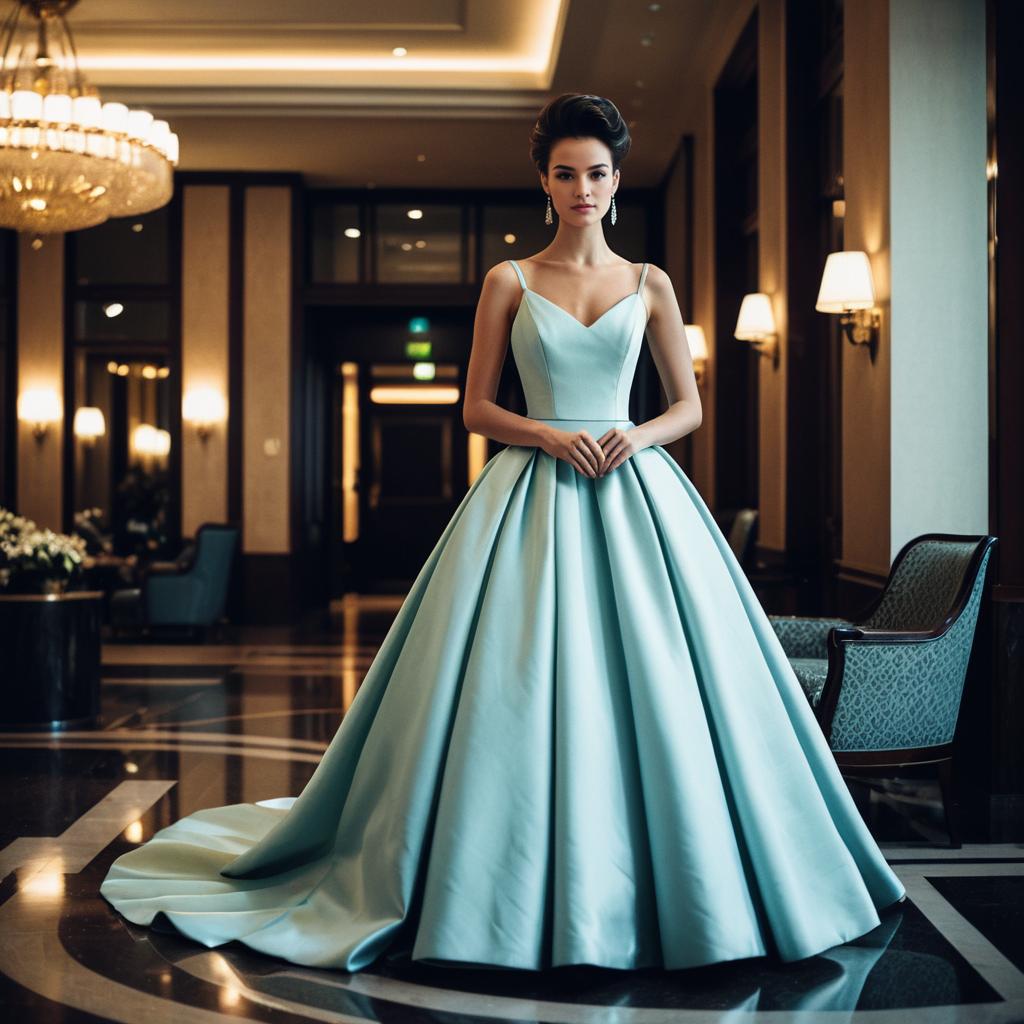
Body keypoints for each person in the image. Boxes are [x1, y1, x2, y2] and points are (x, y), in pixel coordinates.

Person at [100, 93, 905, 973]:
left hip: (637, 489)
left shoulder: (651, 284)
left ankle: (674, 876)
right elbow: (474, 405)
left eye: (597, 173)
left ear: (616, 179)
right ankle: (485, 879)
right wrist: (548, 432)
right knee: (511, 681)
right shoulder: (509, 280)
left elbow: (689, 406)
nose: (583, 188)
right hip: (532, 490)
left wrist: (633, 435)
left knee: (665, 680)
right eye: (566, 173)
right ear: (545, 182)